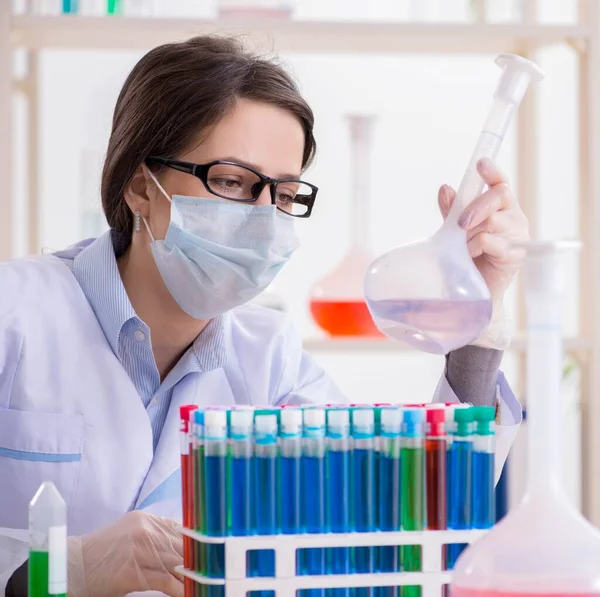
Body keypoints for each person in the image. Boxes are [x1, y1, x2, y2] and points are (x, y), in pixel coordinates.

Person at [0, 35, 526, 597]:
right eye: (230, 181)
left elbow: (411, 520)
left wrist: (481, 312)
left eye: (283, 194)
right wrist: (59, 569)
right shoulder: (17, 312)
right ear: (139, 186)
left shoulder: (269, 355)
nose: (261, 218)